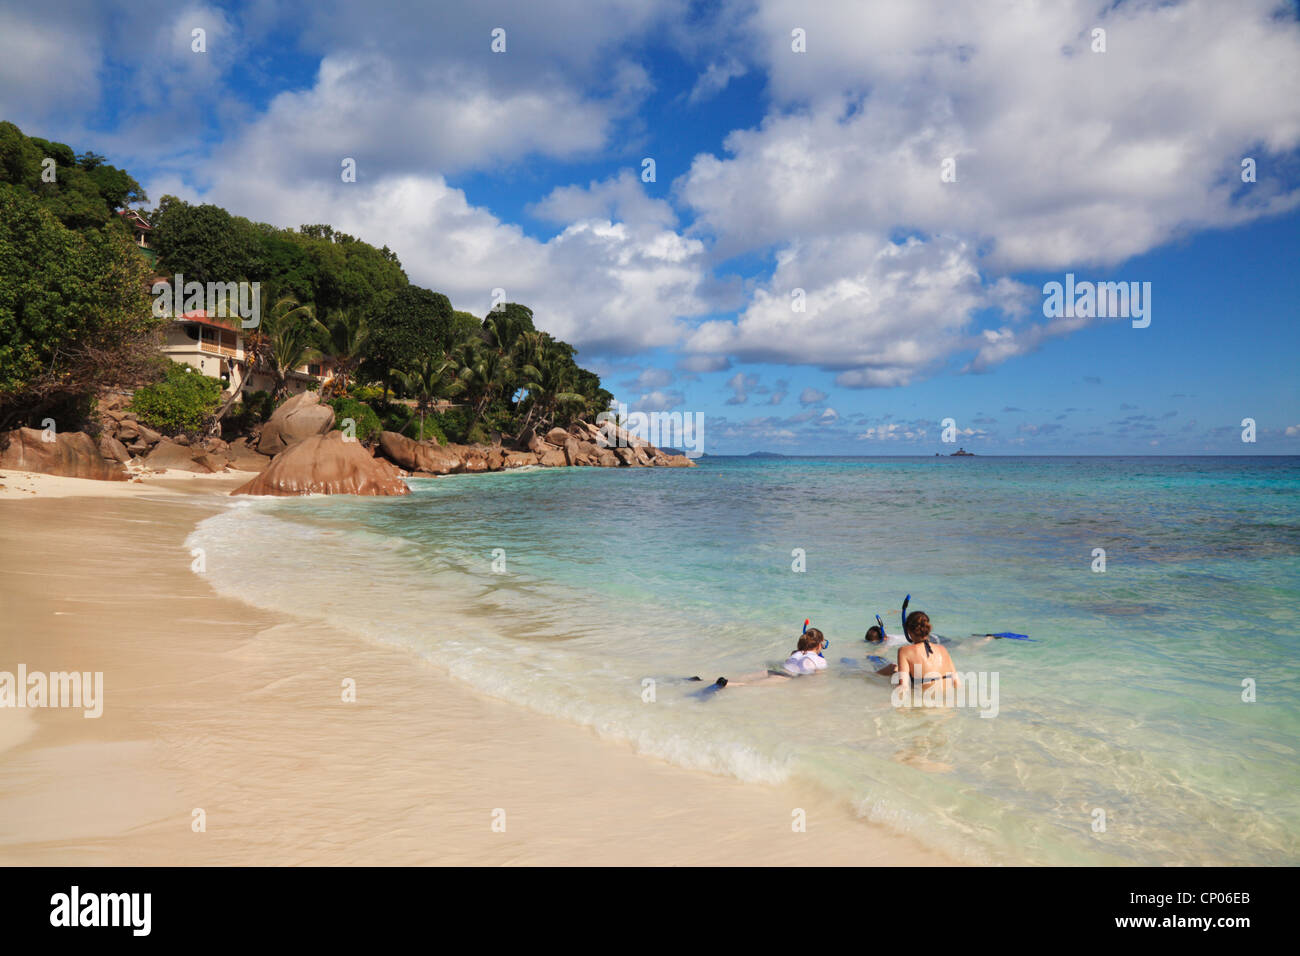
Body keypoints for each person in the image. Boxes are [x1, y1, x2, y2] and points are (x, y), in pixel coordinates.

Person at [895, 610, 961, 703]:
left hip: (925, 706)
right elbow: (957, 683)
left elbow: (903, 687)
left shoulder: (904, 651)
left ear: (908, 631)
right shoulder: (943, 649)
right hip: (948, 706)